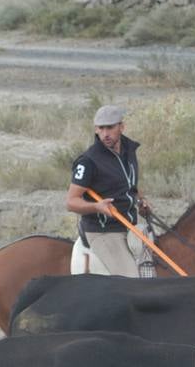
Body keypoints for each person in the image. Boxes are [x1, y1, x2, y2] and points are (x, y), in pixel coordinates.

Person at [66, 104, 155, 277]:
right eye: (101, 128)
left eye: (110, 127)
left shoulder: (129, 150)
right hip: (104, 231)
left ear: (121, 127)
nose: (105, 134)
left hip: (131, 225)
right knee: (132, 281)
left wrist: (140, 200)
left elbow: (130, 185)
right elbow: (71, 201)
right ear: (96, 129)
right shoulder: (88, 161)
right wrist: (97, 207)